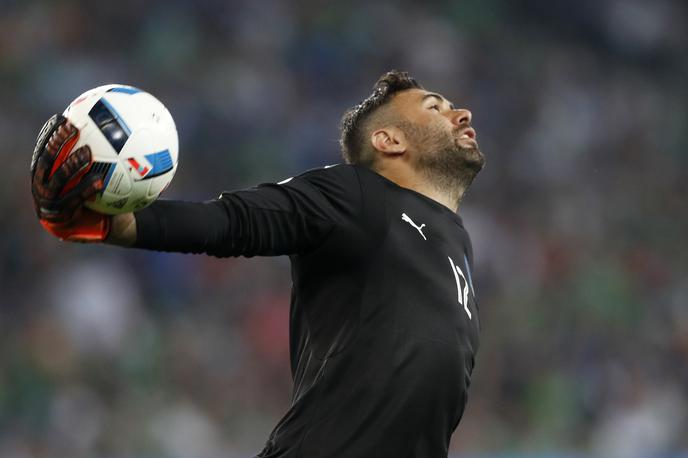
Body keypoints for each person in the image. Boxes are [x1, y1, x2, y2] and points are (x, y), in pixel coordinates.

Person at [30, 70, 485, 457]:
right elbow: (234, 221)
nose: (460, 113)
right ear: (388, 140)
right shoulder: (358, 196)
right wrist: (111, 225)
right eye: (434, 107)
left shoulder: (457, 244)